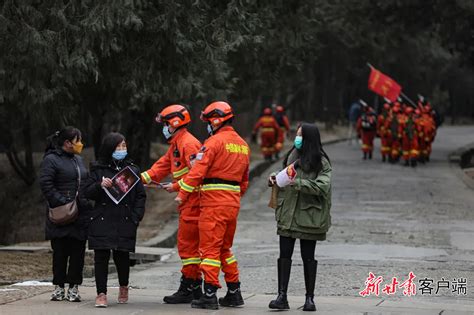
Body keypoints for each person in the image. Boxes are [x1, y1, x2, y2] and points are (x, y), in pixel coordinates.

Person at [175, 101, 250, 310]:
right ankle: (234, 292)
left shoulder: (213, 143)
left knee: (209, 249)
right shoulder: (243, 145)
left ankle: (209, 294)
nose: (208, 125)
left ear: (216, 120)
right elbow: (244, 180)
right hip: (232, 203)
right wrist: (233, 196)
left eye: (208, 121)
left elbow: (197, 172)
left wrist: (182, 194)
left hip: (213, 203)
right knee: (225, 248)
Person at [140, 104, 203, 304]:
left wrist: (176, 186)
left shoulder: (188, 144)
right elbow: (162, 166)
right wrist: (139, 178)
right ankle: (192, 286)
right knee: (188, 247)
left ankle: (191, 287)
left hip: (195, 202)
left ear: (175, 123)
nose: (164, 127)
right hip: (188, 202)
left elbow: (197, 175)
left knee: (188, 247)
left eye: (166, 124)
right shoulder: (177, 144)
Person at [268, 123, 332, 312]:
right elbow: (283, 173)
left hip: (308, 216)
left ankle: (309, 298)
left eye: (300, 135)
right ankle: (282, 296)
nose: (296, 138)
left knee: (308, 257)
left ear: (309, 139)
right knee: (284, 255)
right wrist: (274, 177)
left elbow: (322, 187)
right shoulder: (291, 156)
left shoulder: (322, 162)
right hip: (288, 213)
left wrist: (297, 183)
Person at [82, 132, 146, 308]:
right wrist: (100, 185)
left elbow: (140, 195)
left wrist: (136, 217)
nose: (122, 149)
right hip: (101, 218)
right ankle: (101, 293)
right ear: (109, 148)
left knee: (122, 255)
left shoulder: (132, 170)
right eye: (118, 146)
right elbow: (86, 192)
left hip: (125, 218)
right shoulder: (97, 169)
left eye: (124, 145)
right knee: (101, 256)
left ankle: (123, 286)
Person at [39, 127, 90, 302]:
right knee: (60, 253)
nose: (81, 144)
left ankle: (74, 288)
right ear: (67, 143)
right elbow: (46, 184)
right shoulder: (51, 160)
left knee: (78, 254)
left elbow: (85, 182)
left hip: (80, 215)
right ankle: (59, 287)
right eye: (78, 140)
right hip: (60, 215)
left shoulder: (79, 160)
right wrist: (62, 202)